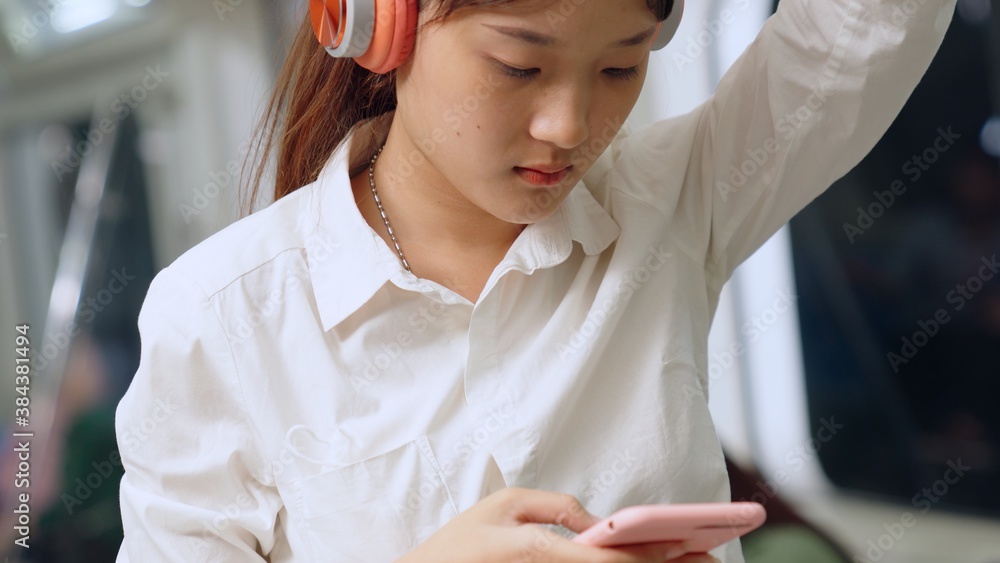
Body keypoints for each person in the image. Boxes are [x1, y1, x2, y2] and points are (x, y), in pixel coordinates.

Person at [113, 0, 955, 561]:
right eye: (519, 67)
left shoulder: (675, 200)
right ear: (384, 27)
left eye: (620, 69)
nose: (569, 126)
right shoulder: (222, 316)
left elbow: (875, 24)